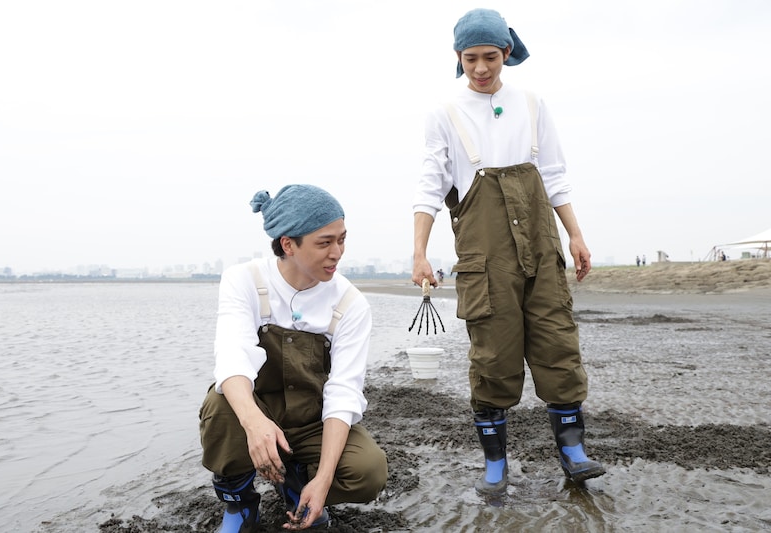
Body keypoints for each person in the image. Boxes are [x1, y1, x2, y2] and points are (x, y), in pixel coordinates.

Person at [411, 8, 605, 495]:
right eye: (471, 58)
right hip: (484, 260)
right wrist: (419, 252)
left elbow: (556, 176)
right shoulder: (444, 112)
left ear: (508, 53)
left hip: (542, 249)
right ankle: (495, 464)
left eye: (491, 57)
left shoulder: (533, 104)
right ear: (458, 58)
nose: (481, 68)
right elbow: (429, 187)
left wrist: (575, 236)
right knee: (493, 358)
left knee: (558, 345)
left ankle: (573, 452)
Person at [199, 184, 388, 531]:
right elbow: (232, 358)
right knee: (221, 402)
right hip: (260, 410)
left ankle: (299, 485)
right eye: (324, 242)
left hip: (312, 420)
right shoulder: (245, 280)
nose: (337, 252)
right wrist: (255, 426)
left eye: (342, 239)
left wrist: (325, 479)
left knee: (369, 471)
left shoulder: (350, 303)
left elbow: (343, 392)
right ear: (288, 244)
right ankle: (240, 506)